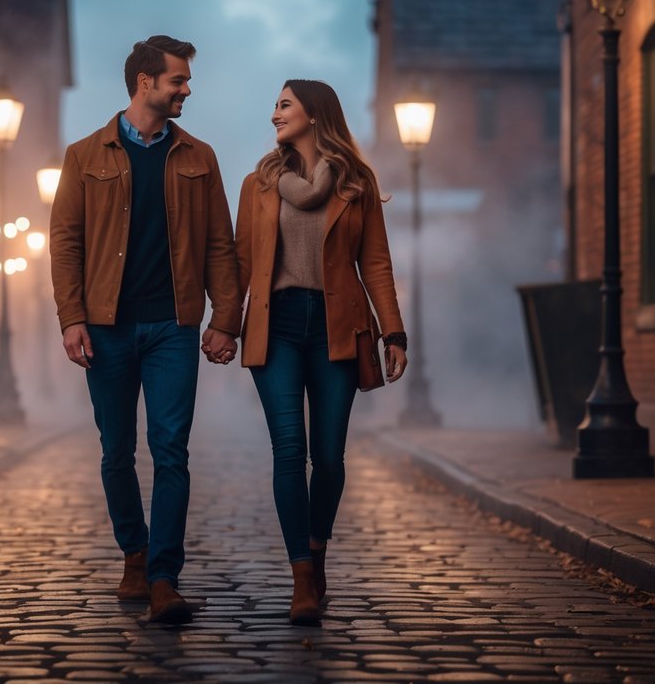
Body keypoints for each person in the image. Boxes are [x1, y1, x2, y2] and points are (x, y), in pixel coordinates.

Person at [49, 35, 242, 624]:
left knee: (171, 452)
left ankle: (163, 577)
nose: (187, 89)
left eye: (185, 80)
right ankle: (133, 553)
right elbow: (66, 241)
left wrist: (225, 319)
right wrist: (72, 317)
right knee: (116, 452)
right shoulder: (85, 155)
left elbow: (218, 244)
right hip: (106, 328)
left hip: (172, 328)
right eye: (177, 80)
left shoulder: (199, 157)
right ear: (144, 84)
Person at [234, 79, 408, 625]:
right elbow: (241, 263)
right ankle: (302, 577)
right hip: (277, 326)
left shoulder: (356, 182)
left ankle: (319, 545)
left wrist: (392, 332)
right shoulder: (258, 184)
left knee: (329, 458)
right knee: (290, 451)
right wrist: (222, 325)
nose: (274, 115)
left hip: (339, 327)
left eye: (283, 105)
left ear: (315, 113)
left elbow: (375, 262)